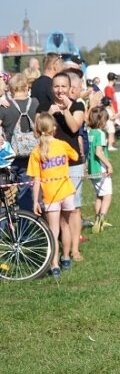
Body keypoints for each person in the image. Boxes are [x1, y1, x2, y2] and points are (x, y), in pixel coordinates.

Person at [27, 113, 79, 278]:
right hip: (66, 190)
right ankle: (65, 257)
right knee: (66, 226)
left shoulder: (36, 152)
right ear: (54, 129)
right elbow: (75, 156)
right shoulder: (62, 145)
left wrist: (36, 200)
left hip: (49, 195)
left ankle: (54, 264)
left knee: (53, 230)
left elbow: (36, 180)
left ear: (37, 130)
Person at [49, 72, 86, 262]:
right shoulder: (45, 106)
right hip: (53, 166)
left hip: (73, 165)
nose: (60, 90)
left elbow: (74, 128)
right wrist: (49, 112)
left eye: (63, 86)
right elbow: (39, 129)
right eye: (56, 86)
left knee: (74, 208)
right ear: (52, 88)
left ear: (70, 88)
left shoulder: (78, 105)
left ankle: (75, 249)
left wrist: (64, 110)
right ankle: (59, 250)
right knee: (57, 209)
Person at [0, 73, 39, 211]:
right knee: (25, 191)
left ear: (10, 89)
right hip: (31, 155)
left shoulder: (5, 106)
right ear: (27, 87)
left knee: (5, 193)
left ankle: (4, 224)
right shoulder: (35, 103)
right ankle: (25, 225)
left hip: (9, 155)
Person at [86, 107, 113, 233]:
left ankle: (97, 219)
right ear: (102, 121)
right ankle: (101, 219)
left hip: (92, 169)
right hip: (100, 168)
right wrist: (108, 165)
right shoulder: (100, 134)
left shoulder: (89, 132)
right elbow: (98, 152)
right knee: (107, 195)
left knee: (99, 196)